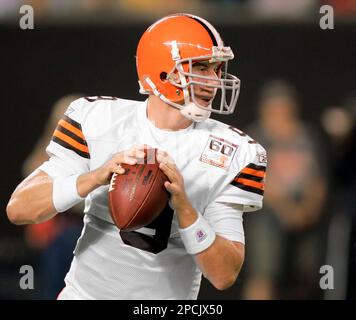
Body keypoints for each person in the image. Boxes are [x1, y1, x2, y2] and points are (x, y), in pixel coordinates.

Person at [6, 13, 267, 300]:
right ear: (163, 71)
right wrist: (95, 177)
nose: (215, 81)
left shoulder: (234, 151)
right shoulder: (97, 119)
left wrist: (186, 209)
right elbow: (20, 209)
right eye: (201, 67)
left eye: (218, 69)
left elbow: (224, 275)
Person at [242, 80, 327, 299]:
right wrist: (287, 210)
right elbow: (257, 180)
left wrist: (309, 208)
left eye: (285, 106)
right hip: (268, 214)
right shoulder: (254, 138)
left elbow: (319, 178)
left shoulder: (306, 135)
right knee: (263, 275)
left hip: (305, 216)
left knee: (306, 276)